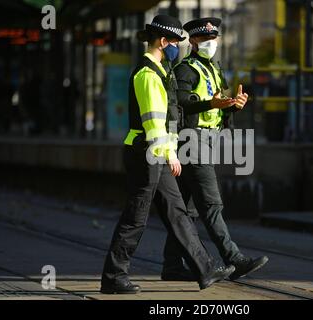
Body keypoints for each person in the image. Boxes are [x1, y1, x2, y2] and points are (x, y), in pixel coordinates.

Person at [100, 15, 236, 294]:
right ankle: (114, 276)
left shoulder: (160, 71)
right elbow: (153, 122)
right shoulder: (148, 75)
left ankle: (205, 268)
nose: (177, 47)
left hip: (157, 152)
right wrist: (169, 154)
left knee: (178, 212)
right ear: (164, 42)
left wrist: (168, 151)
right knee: (136, 216)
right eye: (175, 42)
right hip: (147, 152)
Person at [161, 17, 268, 281]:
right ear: (194, 41)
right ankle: (234, 258)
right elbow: (182, 102)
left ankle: (172, 266)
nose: (212, 43)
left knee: (187, 209)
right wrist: (212, 104)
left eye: (214, 38)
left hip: (205, 140)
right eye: (206, 39)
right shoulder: (186, 68)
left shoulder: (213, 68)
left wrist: (233, 105)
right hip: (191, 140)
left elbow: (216, 104)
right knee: (211, 204)